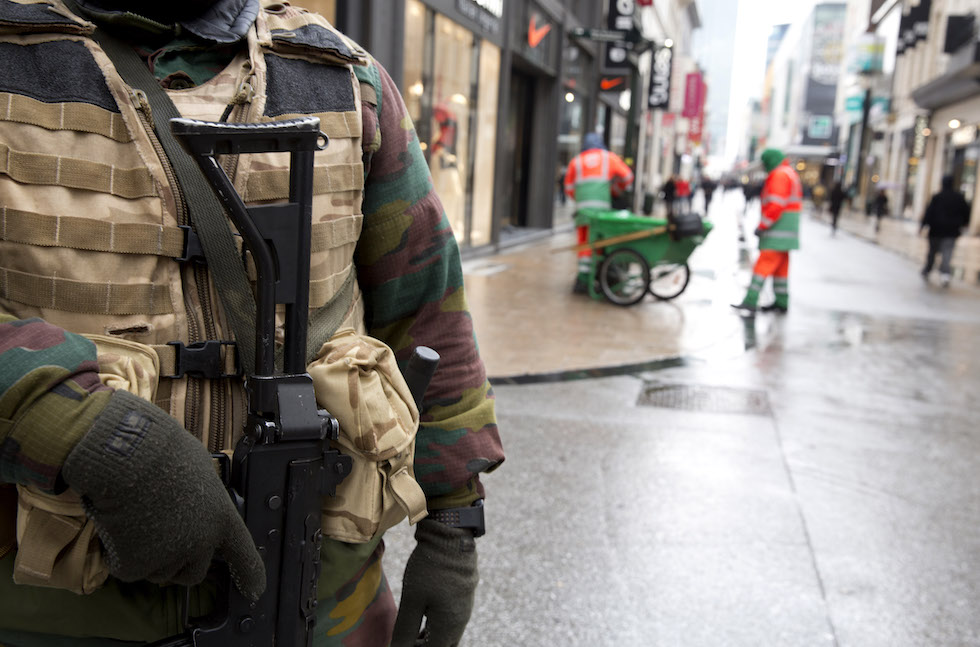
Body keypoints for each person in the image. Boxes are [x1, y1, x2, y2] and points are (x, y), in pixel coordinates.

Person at [0, 2, 505, 646]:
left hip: (320, 597)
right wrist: (77, 427)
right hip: (51, 608)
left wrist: (453, 525)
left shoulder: (344, 78)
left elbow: (428, 309)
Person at [733, 148, 802, 315]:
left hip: (777, 231)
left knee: (762, 266)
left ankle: (750, 300)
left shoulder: (779, 175)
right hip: (787, 231)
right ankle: (781, 301)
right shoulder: (789, 172)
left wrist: (762, 225)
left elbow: (776, 204)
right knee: (781, 270)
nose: (764, 166)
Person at [563, 132, 635, 294]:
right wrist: (615, 190)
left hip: (583, 212)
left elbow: (568, 188)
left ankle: (583, 279)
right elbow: (628, 177)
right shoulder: (609, 158)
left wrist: (580, 199)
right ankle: (600, 274)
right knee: (601, 242)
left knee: (584, 244)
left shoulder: (576, 161)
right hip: (602, 213)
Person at [920, 175, 971, 287]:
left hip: (936, 230)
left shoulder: (937, 197)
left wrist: (923, 226)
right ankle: (945, 274)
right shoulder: (959, 197)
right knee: (947, 253)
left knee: (932, 252)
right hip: (951, 231)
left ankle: (928, 269)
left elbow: (929, 212)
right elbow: (966, 212)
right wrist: (963, 223)